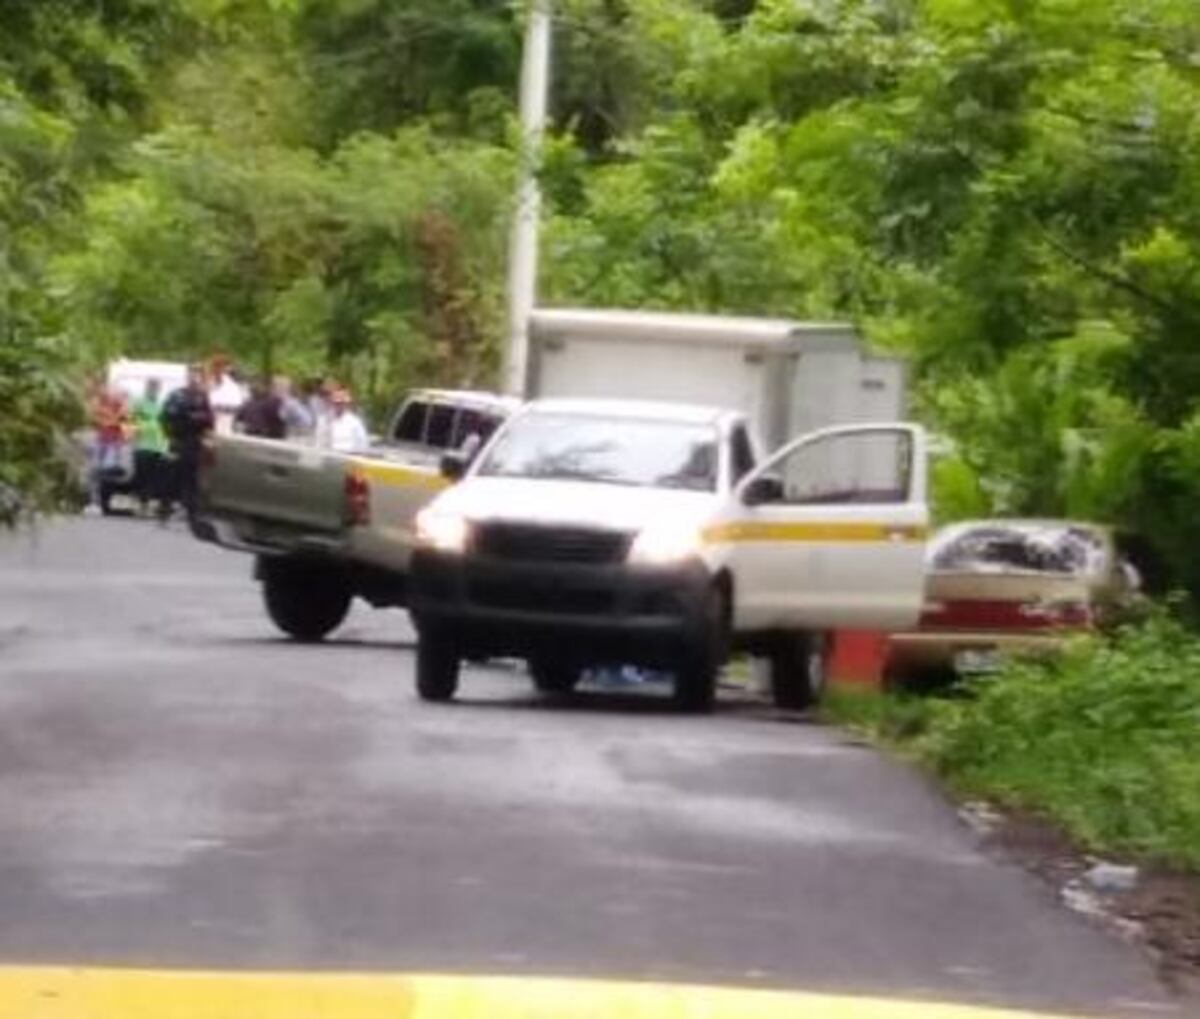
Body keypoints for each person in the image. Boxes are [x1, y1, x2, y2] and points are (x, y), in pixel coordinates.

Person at [160, 363, 215, 525]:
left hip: (194, 442)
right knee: (170, 478)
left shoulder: (202, 396)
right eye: (192, 374)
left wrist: (192, 417)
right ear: (187, 376)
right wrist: (170, 433)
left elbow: (209, 419)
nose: (194, 378)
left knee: (192, 480)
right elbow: (166, 416)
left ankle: (192, 514)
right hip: (177, 440)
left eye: (197, 375)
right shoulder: (177, 395)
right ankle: (165, 510)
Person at [88, 383, 129, 514]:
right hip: (101, 441)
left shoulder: (120, 405)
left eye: (112, 393)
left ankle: (103, 502)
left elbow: (125, 420)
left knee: (106, 471)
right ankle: (94, 502)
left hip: (113, 443)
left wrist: (113, 419)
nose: (109, 395)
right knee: (94, 471)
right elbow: (93, 418)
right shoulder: (99, 405)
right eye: (106, 392)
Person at [130, 379, 168, 516]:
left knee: (154, 477)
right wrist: (131, 435)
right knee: (141, 475)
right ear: (146, 388)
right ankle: (140, 503)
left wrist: (166, 443)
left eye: (156, 387)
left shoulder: (162, 404)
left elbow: (166, 424)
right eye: (151, 387)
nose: (153, 390)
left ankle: (147, 504)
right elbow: (129, 419)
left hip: (158, 446)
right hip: (141, 445)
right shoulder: (139, 403)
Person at [208, 356, 245, 436]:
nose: (217, 370)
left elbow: (237, 403)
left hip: (226, 417)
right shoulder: (211, 382)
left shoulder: (232, 385)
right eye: (215, 367)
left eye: (220, 367)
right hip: (212, 418)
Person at [326, 388, 369, 453]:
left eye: (339, 403)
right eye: (334, 403)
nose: (336, 406)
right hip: (331, 457)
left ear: (345, 404)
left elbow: (363, 445)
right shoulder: (327, 421)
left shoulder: (354, 422)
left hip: (349, 458)